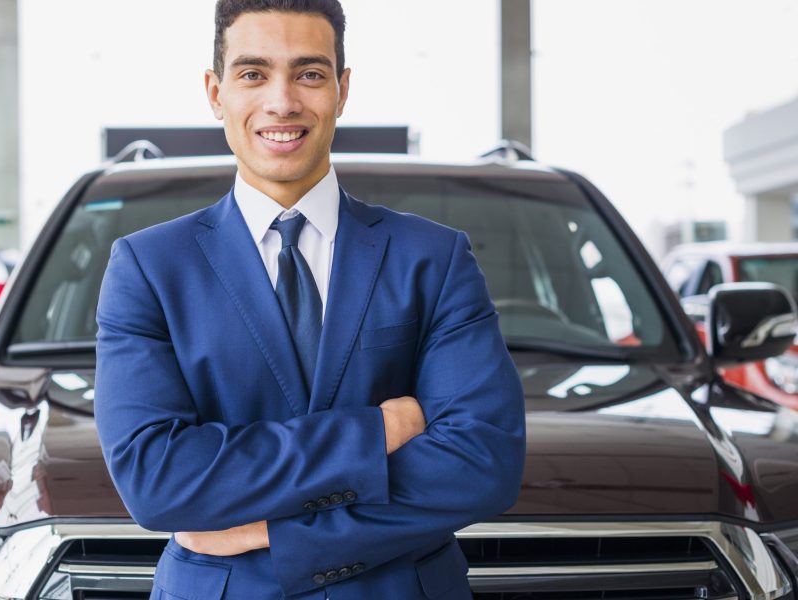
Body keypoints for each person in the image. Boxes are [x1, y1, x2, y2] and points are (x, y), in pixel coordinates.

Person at [94, 0, 526, 598]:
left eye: (309, 73)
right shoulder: (148, 267)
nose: (282, 102)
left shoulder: (434, 257)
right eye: (253, 74)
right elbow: (157, 479)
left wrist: (280, 533)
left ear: (342, 90)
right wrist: (376, 430)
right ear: (215, 93)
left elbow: (483, 462)